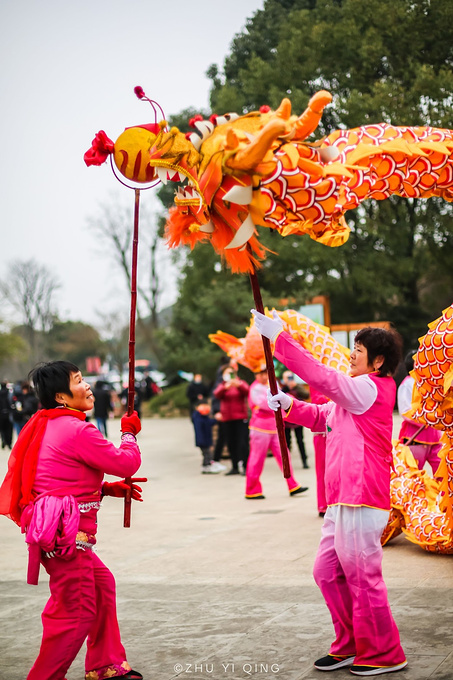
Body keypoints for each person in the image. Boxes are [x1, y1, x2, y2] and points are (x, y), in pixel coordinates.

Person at [252, 309, 407, 677]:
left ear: (378, 360)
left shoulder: (371, 388)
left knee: (362, 577)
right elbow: (323, 417)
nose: (351, 354)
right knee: (326, 572)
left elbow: (324, 377)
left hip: (363, 496)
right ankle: (351, 643)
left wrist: (281, 340)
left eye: (358, 349)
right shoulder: (354, 395)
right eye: (353, 347)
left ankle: (384, 651)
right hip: (341, 498)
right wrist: (289, 405)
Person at [0, 360, 145, 680]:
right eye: (79, 381)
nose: (88, 385)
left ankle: (107, 666)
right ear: (62, 397)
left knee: (102, 585)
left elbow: (55, 478)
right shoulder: (78, 428)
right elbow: (126, 462)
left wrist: (106, 489)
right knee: (75, 613)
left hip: (56, 532)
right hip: (68, 539)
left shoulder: (44, 424)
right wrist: (129, 433)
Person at [246, 366, 307, 499]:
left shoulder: (272, 385)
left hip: (275, 427)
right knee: (257, 459)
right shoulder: (255, 388)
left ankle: (293, 485)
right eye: (260, 373)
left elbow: (283, 398)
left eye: (265, 373)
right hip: (260, 428)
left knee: (285, 456)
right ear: (256, 375)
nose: (263, 376)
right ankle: (252, 489)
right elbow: (266, 404)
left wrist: (291, 401)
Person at [397, 350, 442, 476]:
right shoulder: (407, 384)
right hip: (416, 437)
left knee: (443, 473)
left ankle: (446, 496)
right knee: (414, 474)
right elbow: (405, 411)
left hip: (434, 436)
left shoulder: (431, 382)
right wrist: (425, 418)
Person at [213, 365, 250, 476]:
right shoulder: (223, 385)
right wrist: (225, 387)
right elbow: (216, 394)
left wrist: (237, 385)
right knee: (231, 443)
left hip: (240, 418)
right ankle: (234, 467)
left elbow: (247, 391)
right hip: (227, 418)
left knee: (243, 443)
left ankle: (245, 466)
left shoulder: (240, 383)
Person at [280, 370, 310, 468]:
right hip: (287, 419)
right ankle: (287, 463)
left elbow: (306, 395)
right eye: (286, 377)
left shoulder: (298, 388)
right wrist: (287, 388)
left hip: (298, 418)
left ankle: (304, 461)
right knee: (287, 442)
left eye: (290, 377)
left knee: (300, 441)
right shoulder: (283, 389)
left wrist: (296, 386)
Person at [310, 387, 330, 517]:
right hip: (322, 432)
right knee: (322, 469)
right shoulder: (316, 379)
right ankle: (323, 504)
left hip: (338, 429)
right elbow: (318, 399)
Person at [191, 399, 225, 473]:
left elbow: (209, 423)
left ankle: (206, 466)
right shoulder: (198, 417)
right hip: (202, 440)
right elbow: (205, 423)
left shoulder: (204, 416)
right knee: (207, 454)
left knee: (207, 454)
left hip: (206, 440)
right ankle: (206, 466)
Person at [0, 382, 13, 450]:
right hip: (8, 414)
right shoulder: (9, 393)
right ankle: (9, 443)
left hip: (1, 415)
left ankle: (3, 441)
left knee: (2, 429)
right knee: (9, 429)